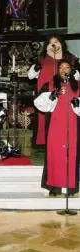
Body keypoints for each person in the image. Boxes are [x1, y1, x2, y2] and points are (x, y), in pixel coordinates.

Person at [34, 59, 79, 197]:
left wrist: (77, 104)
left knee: (71, 156)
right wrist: (51, 98)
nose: (64, 70)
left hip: (72, 126)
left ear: (71, 70)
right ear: (58, 70)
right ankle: (54, 187)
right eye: (61, 67)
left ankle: (71, 188)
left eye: (66, 67)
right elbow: (38, 103)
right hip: (55, 126)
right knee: (55, 155)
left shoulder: (77, 86)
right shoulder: (50, 85)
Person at [28, 35, 80, 147]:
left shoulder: (69, 57)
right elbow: (31, 76)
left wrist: (74, 73)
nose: (53, 45)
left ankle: (64, 140)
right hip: (46, 90)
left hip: (65, 91)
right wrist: (36, 69)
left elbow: (77, 77)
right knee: (44, 116)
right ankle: (43, 141)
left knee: (63, 114)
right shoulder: (41, 58)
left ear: (61, 43)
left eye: (56, 42)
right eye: (50, 43)